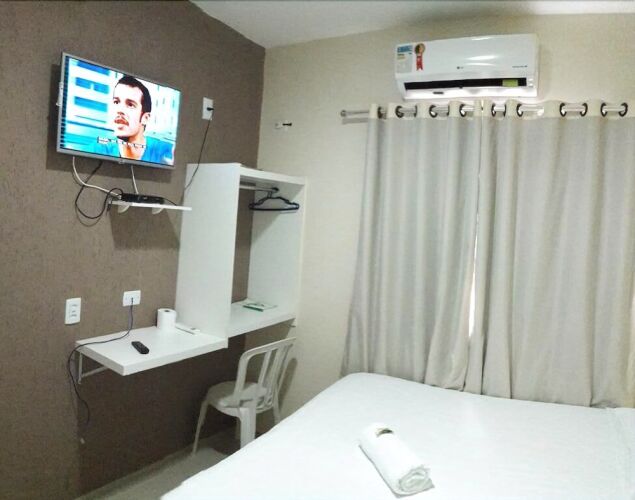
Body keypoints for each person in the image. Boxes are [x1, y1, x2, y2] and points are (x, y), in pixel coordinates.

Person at [93, 75, 174, 165]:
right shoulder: (99, 148)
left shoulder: (165, 151)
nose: (119, 110)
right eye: (116, 102)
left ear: (145, 118)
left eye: (130, 105)